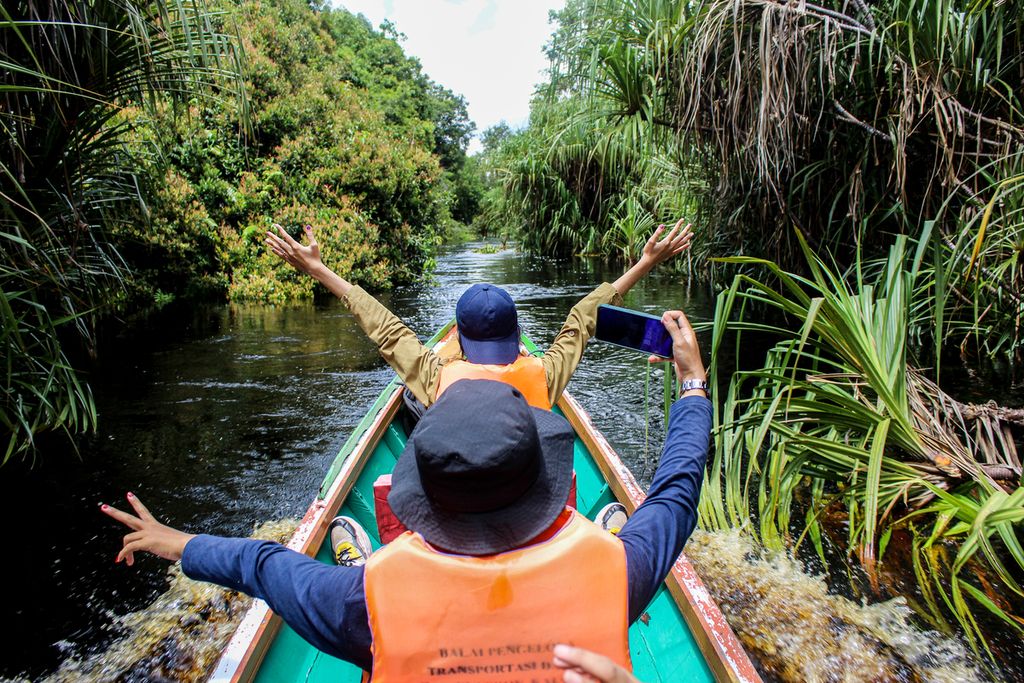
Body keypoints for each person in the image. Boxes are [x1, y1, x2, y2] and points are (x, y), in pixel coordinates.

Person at [102, 308, 710, 681]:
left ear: (423, 502)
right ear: (544, 481)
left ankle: (355, 549)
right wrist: (691, 382)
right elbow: (676, 491)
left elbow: (263, 565)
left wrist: (179, 543)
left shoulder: (365, 602)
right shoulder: (617, 571)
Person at [265, 219, 692, 410]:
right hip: (527, 503)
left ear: (461, 341)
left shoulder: (436, 377)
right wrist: (645, 263)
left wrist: (318, 269)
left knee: (415, 406)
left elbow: (387, 330)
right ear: (518, 333)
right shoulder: (544, 374)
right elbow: (585, 317)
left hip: (463, 508)